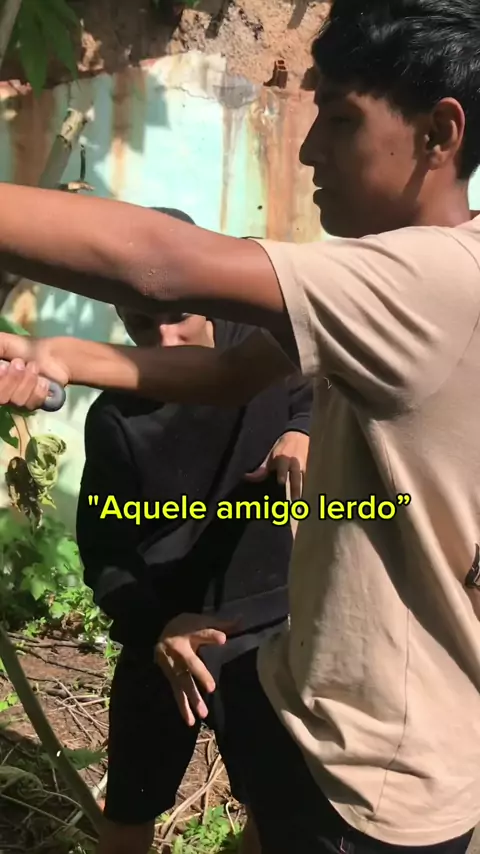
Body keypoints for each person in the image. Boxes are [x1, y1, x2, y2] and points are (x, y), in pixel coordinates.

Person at [1, 1, 480, 853]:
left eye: (340, 119)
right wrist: (59, 354)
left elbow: (164, 265)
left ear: (440, 134)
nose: (308, 148)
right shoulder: (405, 289)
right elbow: (228, 374)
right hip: (313, 698)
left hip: (373, 776)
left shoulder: (430, 280)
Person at [77, 207, 312, 854]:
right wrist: (158, 625)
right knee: (130, 807)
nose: (164, 340)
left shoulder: (262, 353)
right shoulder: (117, 417)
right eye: (139, 323)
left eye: (178, 314)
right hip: (166, 638)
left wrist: (301, 432)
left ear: (208, 294)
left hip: (268, 628)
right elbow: (105, 553)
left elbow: (312, 391)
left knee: (274, 810)